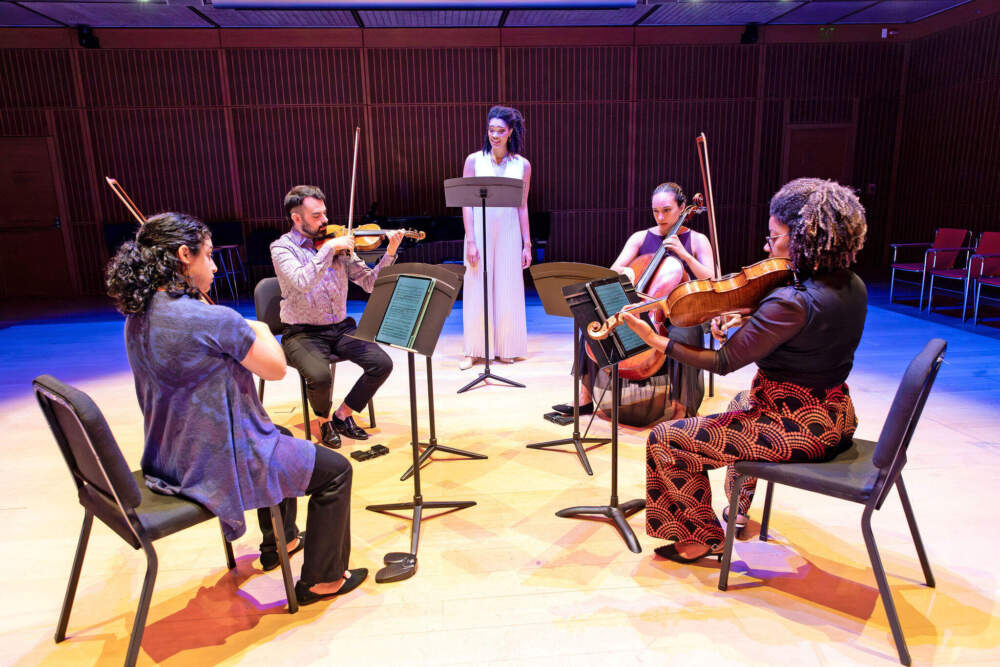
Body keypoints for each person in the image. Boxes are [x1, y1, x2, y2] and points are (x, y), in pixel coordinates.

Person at [106, 212, 365, 605]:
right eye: (208, 256)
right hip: (218, 461)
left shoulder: (137, 315)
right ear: (183, 256)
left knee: (281, 435)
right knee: (336, 472)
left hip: (167, 455)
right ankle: (322, 581)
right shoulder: (212, 318)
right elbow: (276, 369)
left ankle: (283, 541)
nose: (213, 265)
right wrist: (259, 328)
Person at [621, 178, 868, 563]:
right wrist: (752, 314)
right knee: (741, 401)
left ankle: (700, 538)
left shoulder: (791, 301)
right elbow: (807, 329)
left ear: (804, 238)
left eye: (774, 237)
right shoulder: (851, 284)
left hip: (793, 428)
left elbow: (723, 361)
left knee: (668, 439)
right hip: (835, 415)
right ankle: (736, 510)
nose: (767, 247)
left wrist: (656, 342)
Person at [552, 182, 714, 424]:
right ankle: (585, 399)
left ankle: (681, 409)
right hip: (642, 311)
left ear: (682, 208)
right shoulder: (640, 237)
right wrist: (624, 271)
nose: (660, 217)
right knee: (595, 325)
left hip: (679, 314)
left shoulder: (697, 240)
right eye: (655, 211)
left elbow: (711, 279)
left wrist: (685, 255)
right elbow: (613, 269)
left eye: (667, 210)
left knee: (684, 336)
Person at [271, 185, 403, 448]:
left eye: (325, 214)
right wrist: (329, 249)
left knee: (381, 363)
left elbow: (368, 283)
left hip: (340, 328)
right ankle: (322, 421)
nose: (326, 221)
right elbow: (302, 280)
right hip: (302, 332)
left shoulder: (339, 244)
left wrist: (389, 254)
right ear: (297, 218)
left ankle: (343, 414)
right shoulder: (281, 248)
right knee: (320, 377)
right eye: (316, 216)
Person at [460, 105, 532, 370]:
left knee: (508, 286)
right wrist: (470, 240)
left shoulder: (522, 165)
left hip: (510, 231)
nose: (495, 135)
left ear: (511, 131)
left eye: (500, 130)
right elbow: (466, 203)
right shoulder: (474, 160)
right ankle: (474, 350)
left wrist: (527, 243)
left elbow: (522, 205)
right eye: (491, 130)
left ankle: (507, 347)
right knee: (476, 286)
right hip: (479, 231)